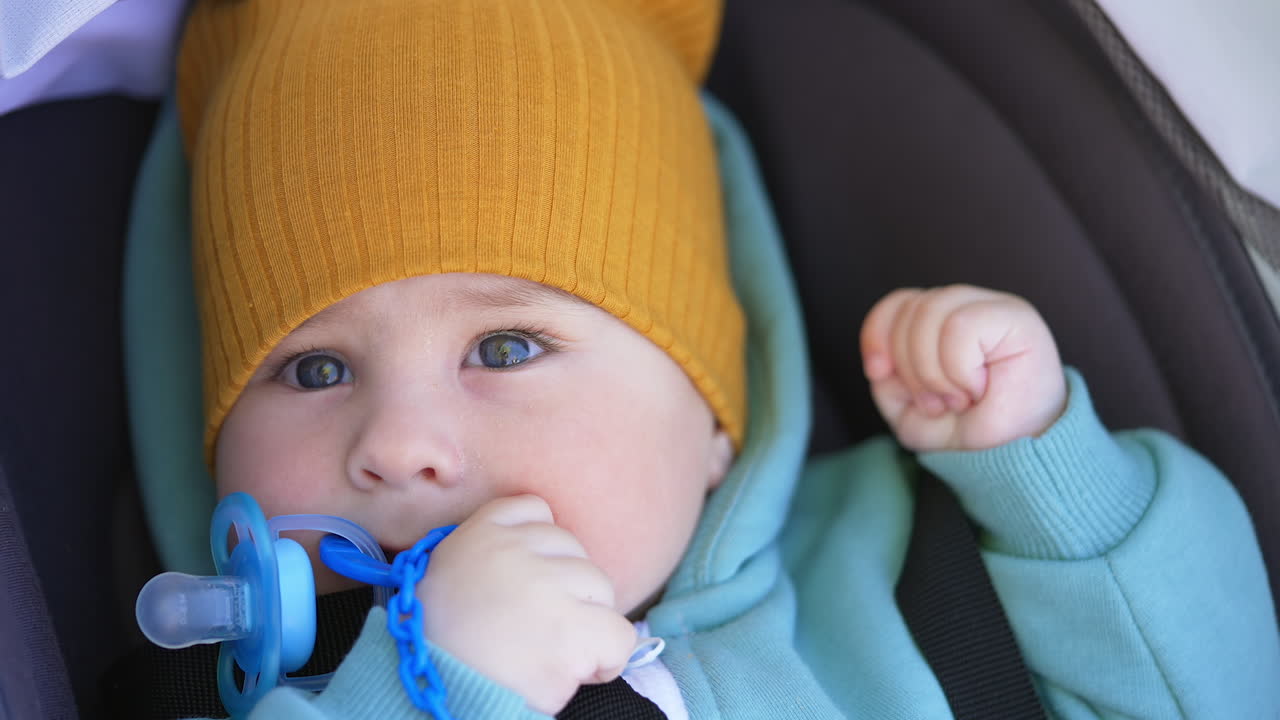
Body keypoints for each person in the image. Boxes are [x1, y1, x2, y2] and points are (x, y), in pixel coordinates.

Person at [169, 0, 1280, 717]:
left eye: (504, 346)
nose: (398, 444)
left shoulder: (907, 577)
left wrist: (1049, 490)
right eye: (313, 370)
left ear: (710, 405)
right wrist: (434, 691)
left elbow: (1217, 696)